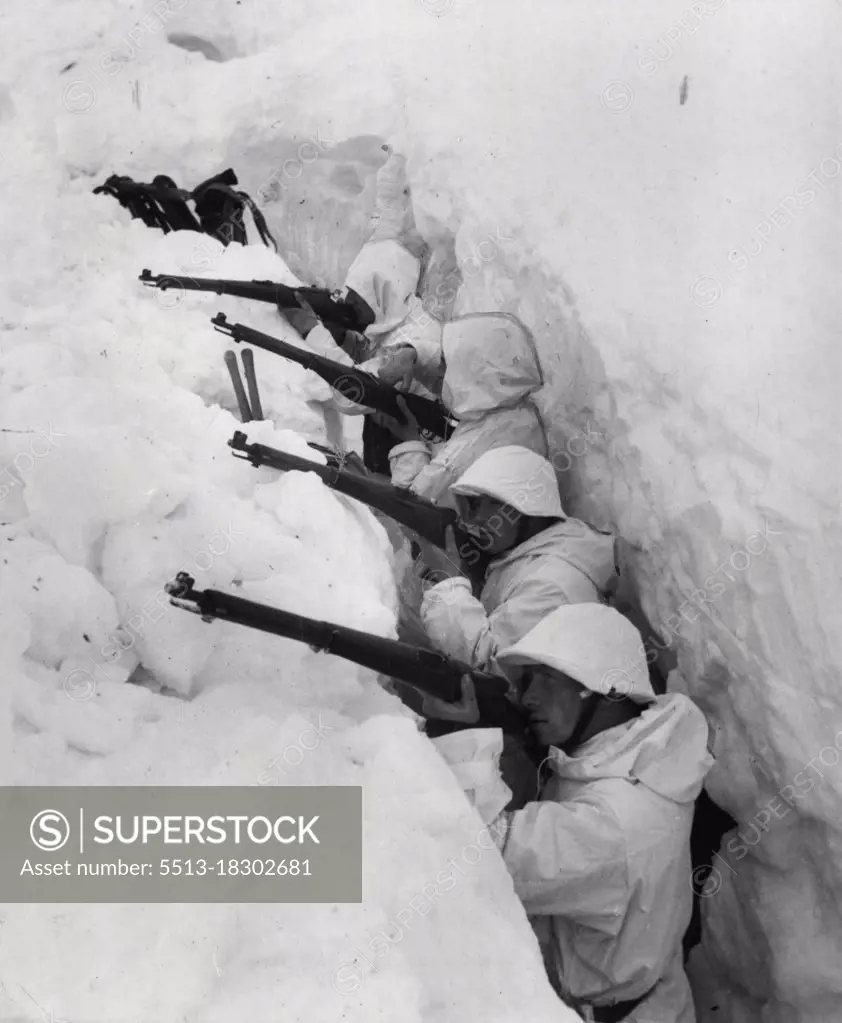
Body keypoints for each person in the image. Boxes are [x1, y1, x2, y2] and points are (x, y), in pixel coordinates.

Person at [429, 603, 714, 1023]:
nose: (528, 697)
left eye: (549, 680)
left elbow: (482, 856)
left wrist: (459, 736)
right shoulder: (633, 752)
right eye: (529, 679)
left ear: (611, 692)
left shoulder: (614, 822)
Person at [417, 445, 619, 678]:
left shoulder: (552, 586)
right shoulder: (525, 553)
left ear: (522, 507)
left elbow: (489, 667)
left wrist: (450, 585)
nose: (469, 521)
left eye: (475, 506)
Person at [380, 312, 548, 505]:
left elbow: (409, 506)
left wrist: (409, 440)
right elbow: (455, 370)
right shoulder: (510, 403)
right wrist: (413, 354)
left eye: (446, 363)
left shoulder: (462, 456)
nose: (441, 369)